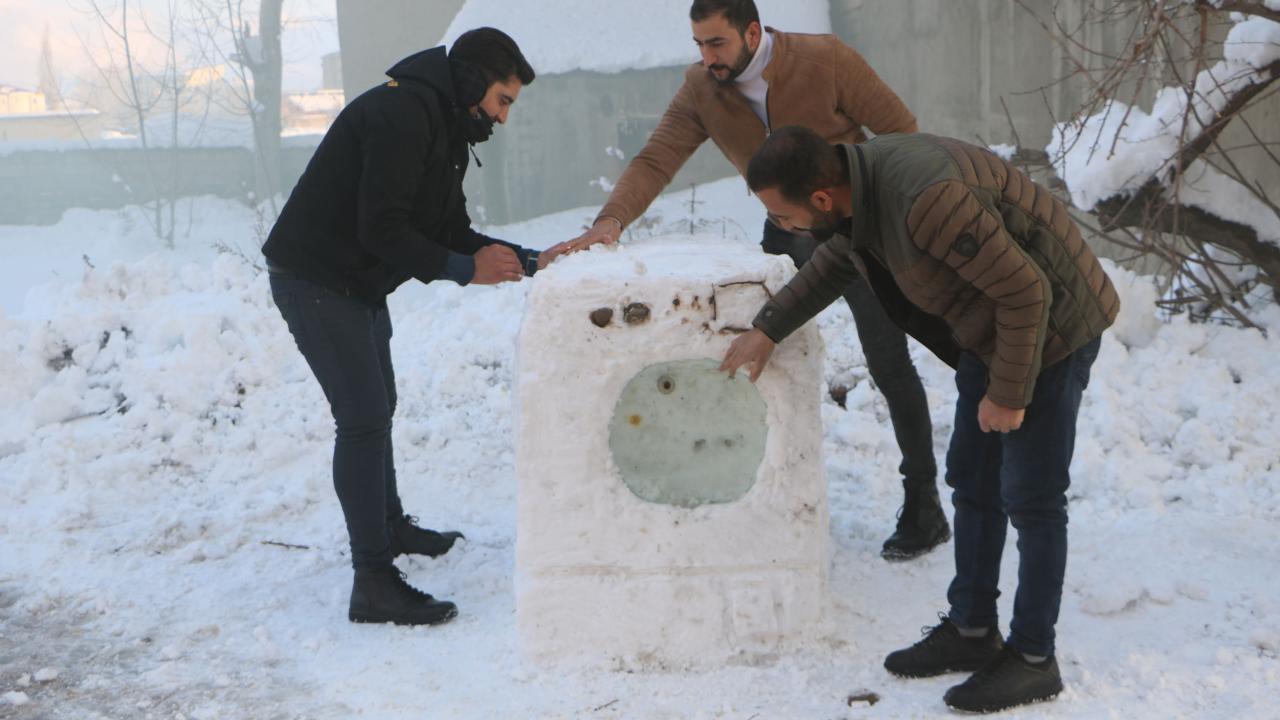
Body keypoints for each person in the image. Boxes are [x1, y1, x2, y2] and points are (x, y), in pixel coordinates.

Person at [721, 126, 1119, 713]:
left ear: (822, 198)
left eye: (786, 215)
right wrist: (768, 327)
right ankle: (973, 629)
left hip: (1052, 326)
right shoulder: (860, 187)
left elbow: (1026, 292)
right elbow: (838, 261)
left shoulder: (923, 199)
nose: (785, 228)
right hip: (995, 329)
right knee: (973, 479)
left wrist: (1009, 393)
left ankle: (1035, 657)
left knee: (1031, 497)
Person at [566, 0, 949, 561]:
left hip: (859, 233)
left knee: (889, 364)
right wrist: (611, 219)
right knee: (759, 356)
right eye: (698, 44)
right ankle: (764, 497)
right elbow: (657, 157)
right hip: (787, 238)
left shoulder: (825, 59)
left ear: (752, 31)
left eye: (716, 44)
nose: (706, 58)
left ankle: (924, 504)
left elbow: (904, 135)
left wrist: (894, 219)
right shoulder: (703, 87)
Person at [262, 28, 565, 627]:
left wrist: (529, 260)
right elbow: (384, 228)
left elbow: (450, 229)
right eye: (503, 100)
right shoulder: (403, 114)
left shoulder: (442, 125)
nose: (503, 118)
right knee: (363, 415)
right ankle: (372, 581)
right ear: (475, 83)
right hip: (316, 279)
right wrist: (461, 271)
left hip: (356, 282)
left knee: (381, 406)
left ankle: (390, 526)